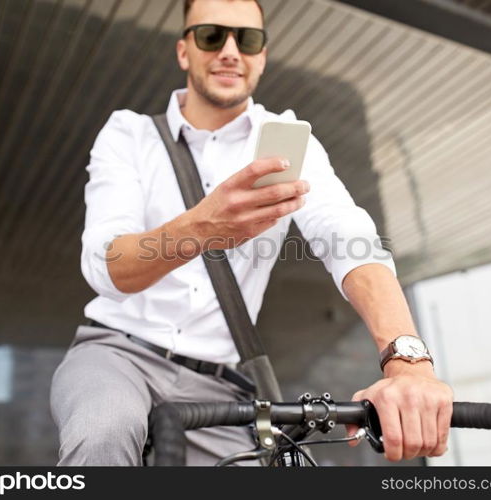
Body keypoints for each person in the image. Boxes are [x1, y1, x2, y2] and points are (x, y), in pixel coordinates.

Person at [50, 0, 453, 466]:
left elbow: (349, 239)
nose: (229, 50)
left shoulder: (287, 139)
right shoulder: (129, 134)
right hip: (118, 354)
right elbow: (106, 267)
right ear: (184, 51)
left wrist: (407, 361)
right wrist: (202, 226)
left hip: (219, 383)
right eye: (210, 36)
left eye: (247, 39)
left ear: (261, 57)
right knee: (104, 433)